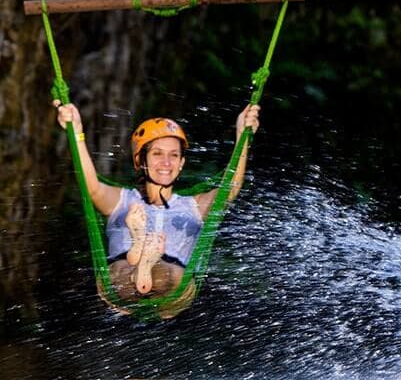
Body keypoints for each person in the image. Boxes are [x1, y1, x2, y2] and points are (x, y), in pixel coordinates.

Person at [54, 100, 260, 307]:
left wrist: (243, 136)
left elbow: (230, 187)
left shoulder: (195, 205)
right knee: (120, 272)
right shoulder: (123, 200)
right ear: (141, 160)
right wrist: (76, 133)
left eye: (174, 155)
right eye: (157, 154)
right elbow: (91, 187)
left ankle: (144, 264)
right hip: (123, 276)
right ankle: (139, 266)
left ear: (181, 164)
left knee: (164, 274)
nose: (166, 163)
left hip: (171, 282)